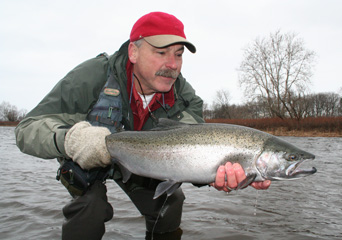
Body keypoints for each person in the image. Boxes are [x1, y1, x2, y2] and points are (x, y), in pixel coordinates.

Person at [15, 12, 271, 240]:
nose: (172, 64)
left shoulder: (186, 99)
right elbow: (27, 129)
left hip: (144, 165)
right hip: (88, 159)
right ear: (133, 52)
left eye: (178, 54)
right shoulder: (91, 76)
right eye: (161, 53)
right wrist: (70, 140)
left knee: (171, 201)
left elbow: (196, 157)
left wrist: (222, 175)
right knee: (90, 208)